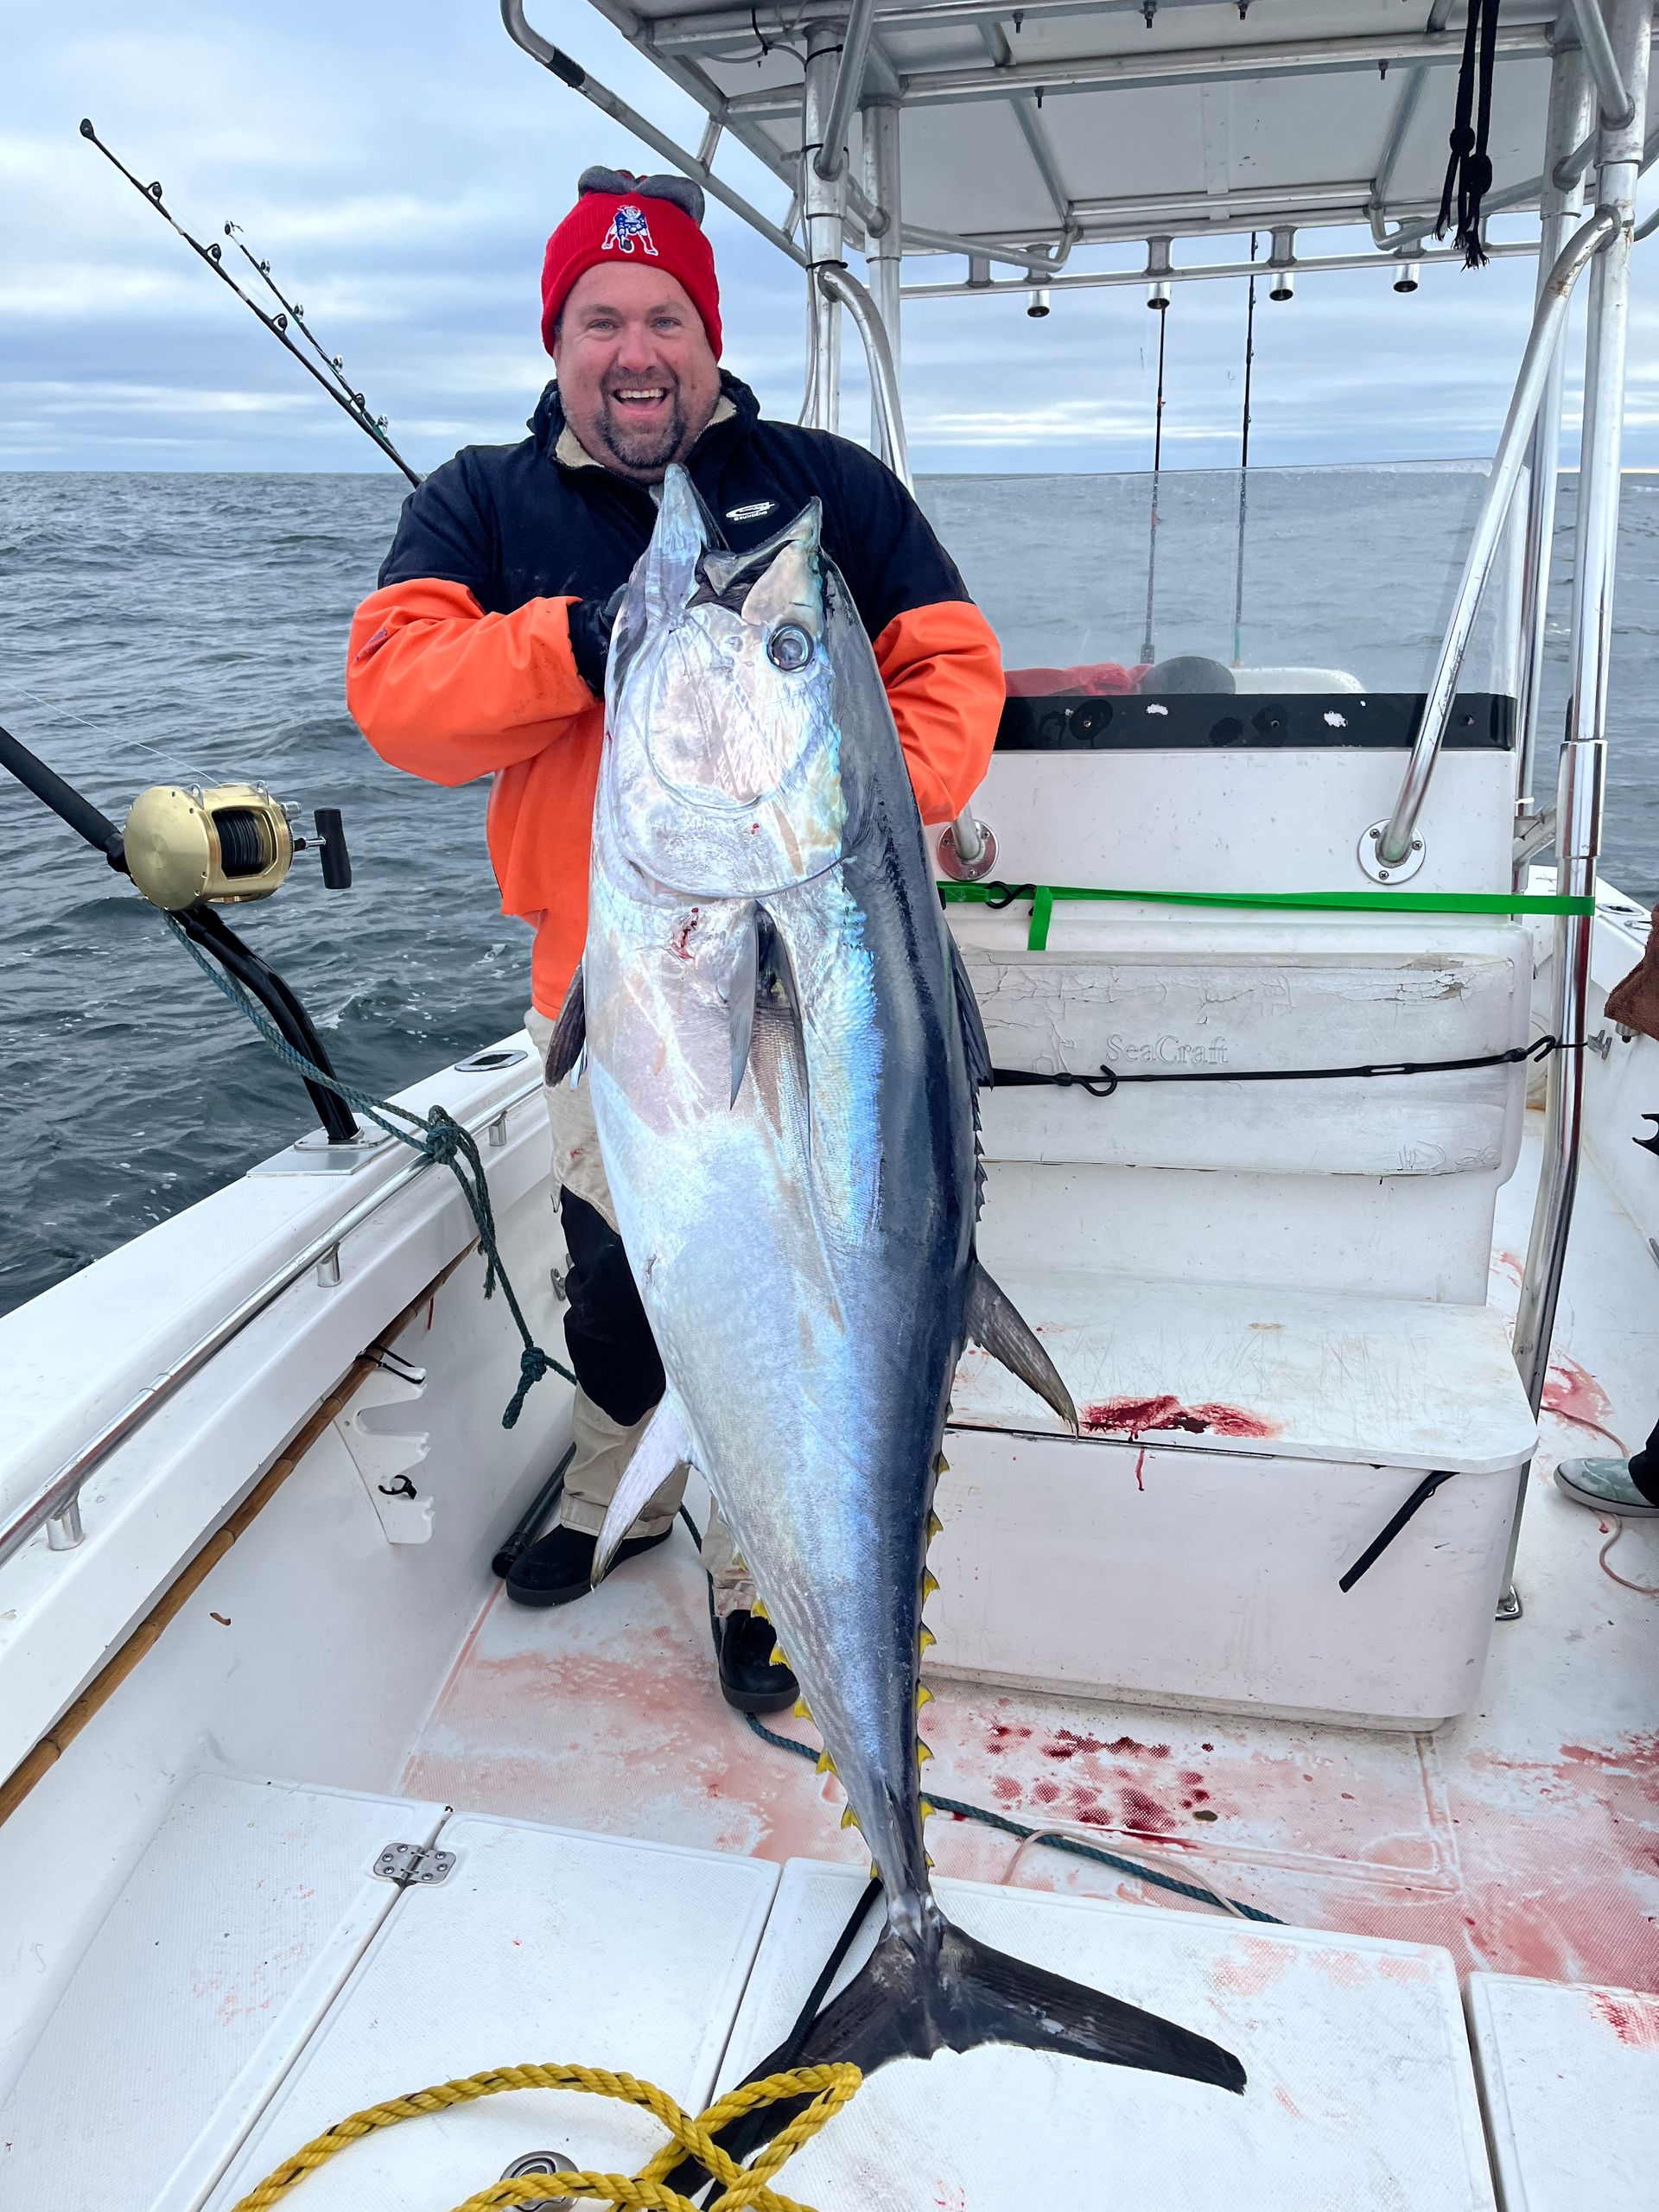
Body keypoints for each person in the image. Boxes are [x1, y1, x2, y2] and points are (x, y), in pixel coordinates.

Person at [346, 167, 1004, 1711]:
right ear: (559, 341)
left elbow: (953, 671)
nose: (634, 350)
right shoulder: (482, 503)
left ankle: (756, 1567)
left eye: (665, 318)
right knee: (614, 1284)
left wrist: (824, 810)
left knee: (787, 1285)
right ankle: (604, 1484)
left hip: (813, 979)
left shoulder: (826, 484)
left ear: (708, 337)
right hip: (607, 995)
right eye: (599, 319)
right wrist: (579, 641)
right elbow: (399, 698)